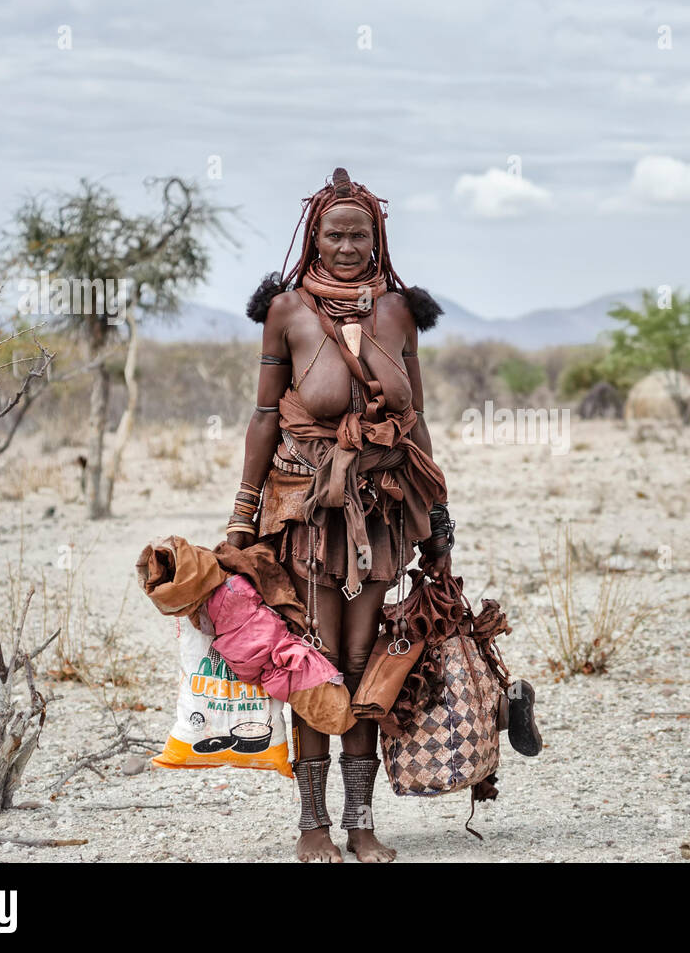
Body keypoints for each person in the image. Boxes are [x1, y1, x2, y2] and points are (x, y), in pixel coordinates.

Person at [228, 167, 459, 863]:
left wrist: (437, 515)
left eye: (360, 232)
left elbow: (414, 420)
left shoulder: (398, 312)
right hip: (308, 511)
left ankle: (360, 823)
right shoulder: (288, 312)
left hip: (382, 514)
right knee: (313, 660)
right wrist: (243, 512)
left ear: (378, 235)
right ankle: (311, 825)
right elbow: (266, 415)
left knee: (365, 662)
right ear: (315, 238)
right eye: (336, 233)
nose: (349, 244)